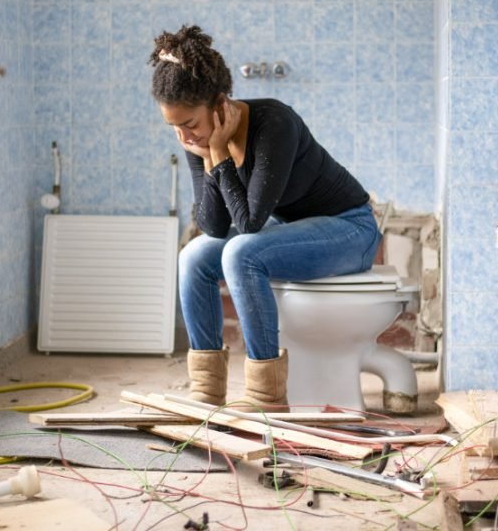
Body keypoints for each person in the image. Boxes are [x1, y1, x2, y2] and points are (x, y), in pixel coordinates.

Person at [149, 25, 382, 411]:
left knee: (242, 253)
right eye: (174, 126)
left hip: (351, 229)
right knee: (193, 256)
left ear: (220, 104)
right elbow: (214, 225)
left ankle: (265, 395)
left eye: (190, 124)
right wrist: (208, 154)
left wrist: (219, 153)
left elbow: (251, 223)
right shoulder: (199, 140)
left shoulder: (274, 124)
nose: (185, 136)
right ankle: (206, 393)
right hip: (295, 230)